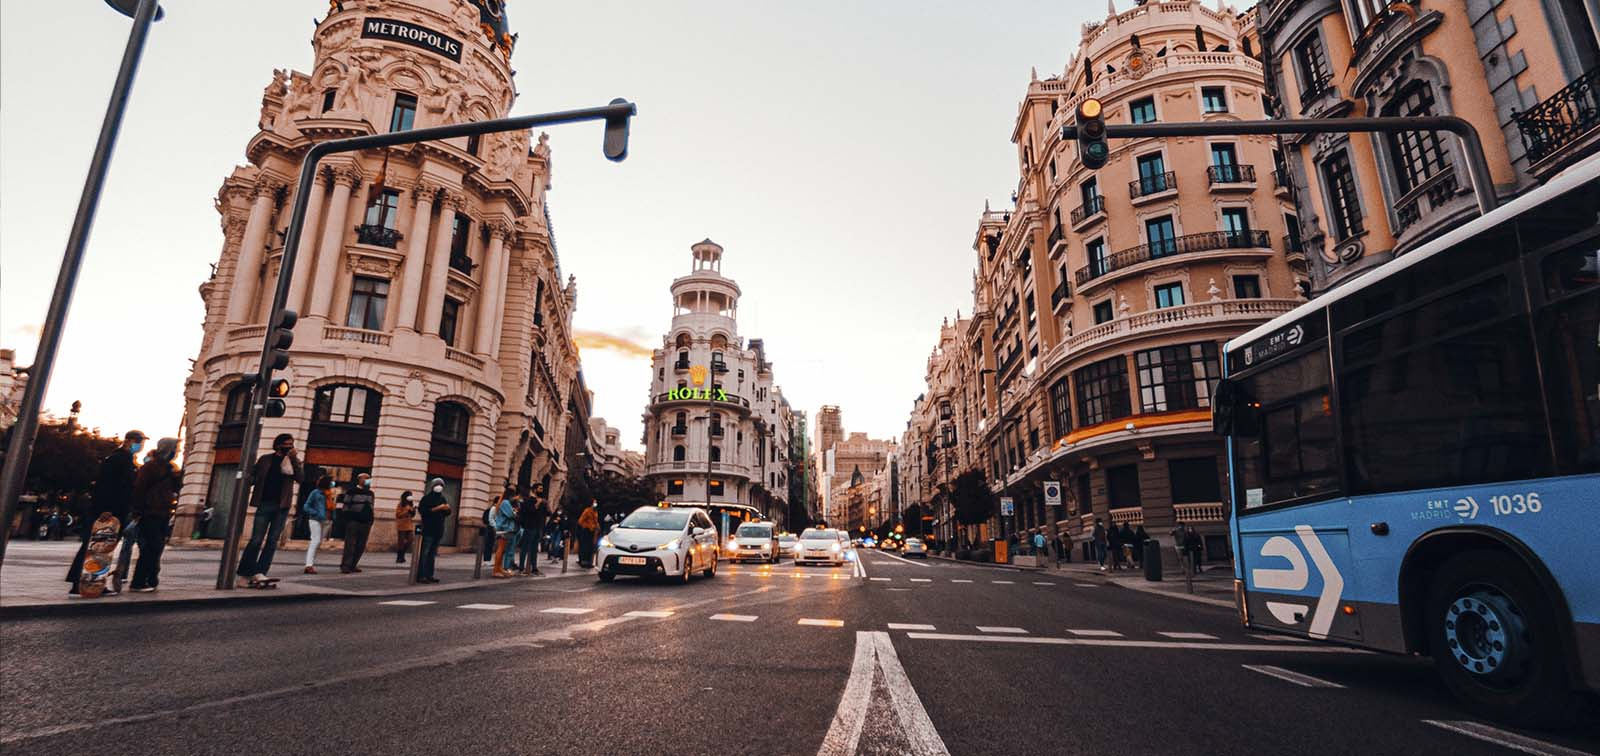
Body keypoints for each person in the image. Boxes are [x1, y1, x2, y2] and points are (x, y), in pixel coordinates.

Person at [67, 430, 144, 595]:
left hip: (113, 509)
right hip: (109, 510)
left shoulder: (124, 460)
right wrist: (106, 508)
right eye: (138, 441)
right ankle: (86, 582)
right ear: (129, 441)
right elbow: (107, 485)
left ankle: (83, 582)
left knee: (98, 547)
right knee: (98, 547)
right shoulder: (118, 460)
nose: (140, 445)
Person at [237, 433, 303, 587]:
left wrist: (293, 459)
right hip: (265, 503)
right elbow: (252, 477)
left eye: (291, 444)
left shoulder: (293, 461)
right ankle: (244, 574)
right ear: (278, 444)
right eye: (286, 444)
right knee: (256, 540)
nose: (289, 447)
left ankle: (260, 572)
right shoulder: (265, 459)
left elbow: (300, 478)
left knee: (272, 541)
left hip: (282, 506)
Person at [128, 438, 181, 592]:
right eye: (175, 449)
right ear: (167, 449)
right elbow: (139, 489)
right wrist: (137, 511)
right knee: (151, 546)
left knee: (157, 547)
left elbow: (176, 488)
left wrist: (177, 476)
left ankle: (151, 578)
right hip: (149, 512)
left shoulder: (171, 468)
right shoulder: (150, 467)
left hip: (163, 512)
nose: (176, 452)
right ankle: (138, 581)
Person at [340, 473, 376, 573]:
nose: (367, 480)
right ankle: (346, 565)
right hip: (353, 520)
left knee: (361, 544)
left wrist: (371, 519)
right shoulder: (351, 491)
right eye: (365, 478)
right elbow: (346, 505)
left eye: (369, 479)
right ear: (359, 479)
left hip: (366, 521)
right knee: (350, 544)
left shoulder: (370, 493)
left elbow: (371, 506)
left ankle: (353, 564)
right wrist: (347, 518)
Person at [416, 477, 450, 583]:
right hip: (428, 529)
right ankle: (421, 575)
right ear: (432, 486)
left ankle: (429, 574)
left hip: (438, 529)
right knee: (425, 553)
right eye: (437, 485)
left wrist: (447, 509)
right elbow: (423, 511)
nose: (439, 487)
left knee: (432, 554)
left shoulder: (442, 498)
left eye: (441, 485)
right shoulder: (426, 498)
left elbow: (447, 513)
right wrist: (438, 508)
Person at [301, 476, 332, 574]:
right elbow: (306, 506)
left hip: (326, 520)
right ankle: (309, 565)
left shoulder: (329, 494)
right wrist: (315, 513)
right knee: (315, 540)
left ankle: (311, 563)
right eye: (331, 482)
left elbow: (331, 506)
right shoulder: (315, 493)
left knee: (319, 543)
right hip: (315, 519)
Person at [516, 485, 546, 575]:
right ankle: (521, 568)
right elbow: (530, 511)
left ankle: (534, 568)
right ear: (534, 490)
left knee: (534, 549)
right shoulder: (528, 501)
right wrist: (537, 504)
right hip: (529, 527)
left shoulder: (541, 501)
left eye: (542, 489)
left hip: (537, 527)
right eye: (540, 489)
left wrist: (545, 505)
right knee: (525, 548)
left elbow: (546, 513)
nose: (541, 490)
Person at [491, 487, 517, 578]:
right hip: (504, 528)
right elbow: (511, 514)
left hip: (504, 528)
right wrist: (515, 512)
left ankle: (499, 568)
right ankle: (496, 569)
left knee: (502, 549)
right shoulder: (505, 502)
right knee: (501, 549)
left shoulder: (504, 502)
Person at [394, 491, 416, 564]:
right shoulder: (401, 504)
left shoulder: (410, 504)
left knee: (410, 540)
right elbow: (398, 515)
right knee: (401, 542)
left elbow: (412, 515)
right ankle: (399, 557)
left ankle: (402, 554)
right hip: (402, 525)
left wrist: (413, 510)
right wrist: (406, 511)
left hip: (409, 524)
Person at [576, 501, 600, 569]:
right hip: (586, 530)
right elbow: (580, 521)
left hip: (592, 531)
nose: (595, 504)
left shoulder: (595, 512)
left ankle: (589, 561)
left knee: (591, 546)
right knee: (585, 546)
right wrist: (586, 526)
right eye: (594, 503)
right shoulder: (587, 511)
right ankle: (583, 561)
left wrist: (597, 527)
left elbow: (595, 520)